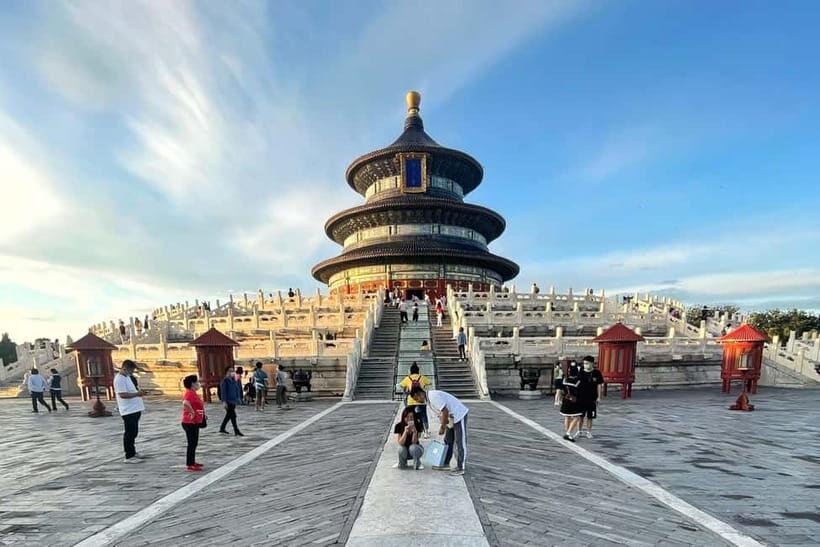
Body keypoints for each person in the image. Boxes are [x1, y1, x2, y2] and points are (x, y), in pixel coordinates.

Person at [409, 387, 468, 475]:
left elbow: (445, 411)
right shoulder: (428, 400)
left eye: (416, 398)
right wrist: (445, 423)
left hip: (458, 415)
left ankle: (461, 467)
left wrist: (443, 427)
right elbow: (441, 413)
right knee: (448, 440)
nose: (417, 401)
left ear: (420, 394)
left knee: (460, 441)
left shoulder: (433, 396)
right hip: (450, 418)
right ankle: (446, 463)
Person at [114, 360, 147, 462]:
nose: (132, 372)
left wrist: (138, 393)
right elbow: (122, 394)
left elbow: (131, 391)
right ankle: (129, 455)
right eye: (131, 370)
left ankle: (133, 452)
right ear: (125, 368)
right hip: (128, 410)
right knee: (129, 432)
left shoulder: (127, 377)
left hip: (135, 408)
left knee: (134, 432)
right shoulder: (119, 379)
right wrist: (137, 394)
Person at [399, 362, 431, 437]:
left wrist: (406, 389)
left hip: (411, 400)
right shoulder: (422, 377)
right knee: (423, 415)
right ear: (418, 371)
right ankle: (426, 432)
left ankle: (411, 430)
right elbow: (430, 382)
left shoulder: (408, 378)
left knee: (411, 415)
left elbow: (400, 385)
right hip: (421, 400)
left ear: (410, 371)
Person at [181, 374, 205, 471]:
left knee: (194, 443)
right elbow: (185, 403)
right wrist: (191, 412)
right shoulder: (189, 393)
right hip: (189, 422)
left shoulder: (193, 393)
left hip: (195, 421)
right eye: (197, 382)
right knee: (191, 443)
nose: (198, 384)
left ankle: (192, 461)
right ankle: (190, 464)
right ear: (192, 383)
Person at [577, 356, 604, 438]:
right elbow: (577, 384)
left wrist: (599, 397)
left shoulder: (597, 373)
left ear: (592, 363)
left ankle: (588, 432)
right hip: (581, 398)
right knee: (580, 416)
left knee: (590, 416)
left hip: (592, 398)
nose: (585, 365)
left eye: (587, 363)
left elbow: (599, 386)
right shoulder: (581, 372)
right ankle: (579, 430)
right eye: (584, 363)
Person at [559, 363, 582, 442]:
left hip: (565, 400)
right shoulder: (578, 381)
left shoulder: (564, 379)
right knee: (577, 417)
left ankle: (567, 432)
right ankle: (568, 433)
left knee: (567, 417)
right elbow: (580, 392)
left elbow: (561, 390)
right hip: (573, 401)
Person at [219, 366, 244, 436]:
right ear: (227, 372)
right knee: (233, 415)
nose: (232, 372)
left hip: (233, 400)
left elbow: (237, 389)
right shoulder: (225, 381)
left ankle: (222, 428)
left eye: (233, 371)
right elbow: (223, 392)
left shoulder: (234, 380)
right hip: (228, 401)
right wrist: (224, 401)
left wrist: (238, 397)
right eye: (230, 371)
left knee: (229, 415)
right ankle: (236, 430)